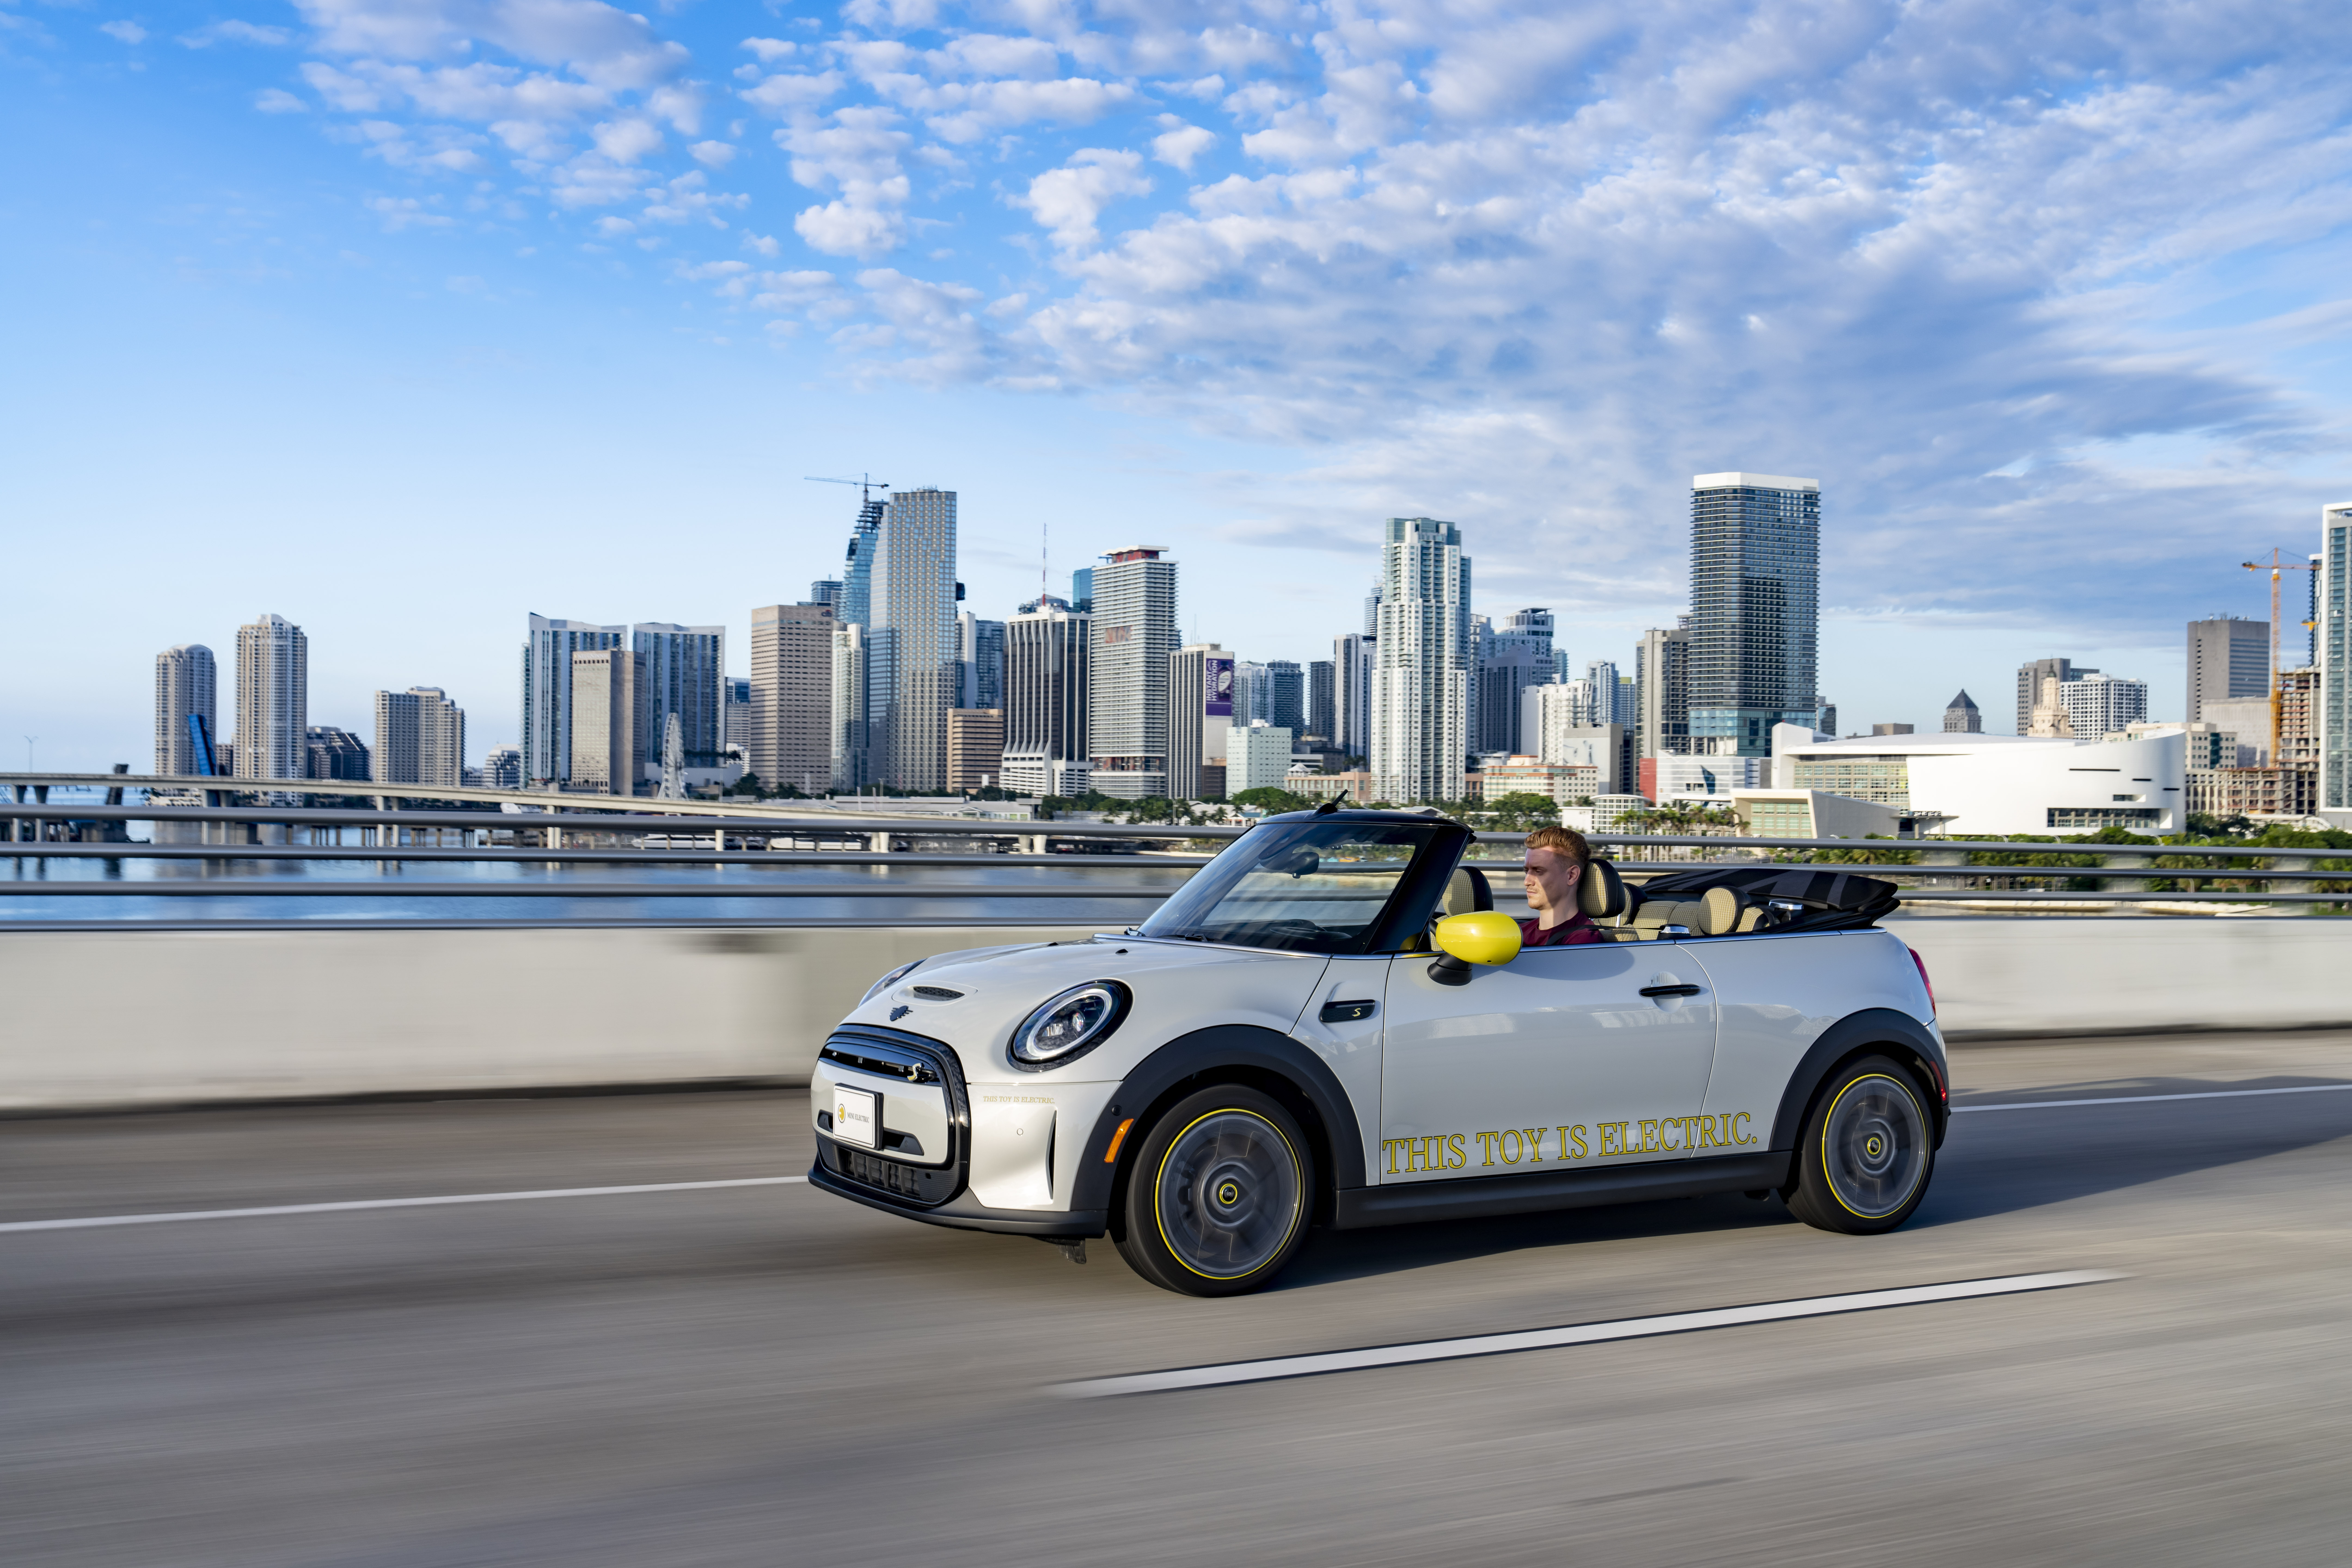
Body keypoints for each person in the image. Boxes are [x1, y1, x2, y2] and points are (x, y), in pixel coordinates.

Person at [1520, 824, 1602, 947]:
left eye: (1539, 872)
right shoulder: (1518, 933)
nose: (1527, 882)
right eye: (1527, 871)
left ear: (1572, 876)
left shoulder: (1582, 942)